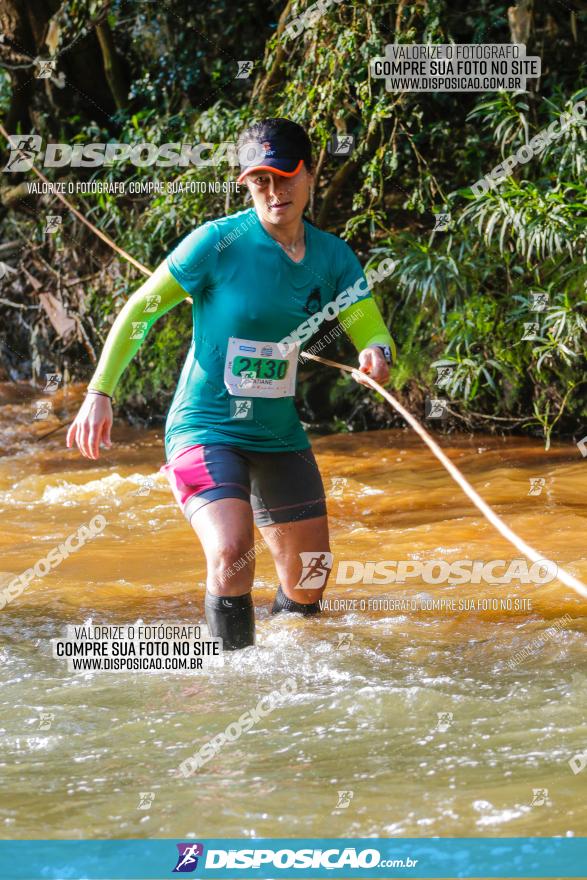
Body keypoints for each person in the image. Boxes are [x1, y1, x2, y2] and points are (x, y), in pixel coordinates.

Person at [66, 118, 396, 650]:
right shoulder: (217, 244)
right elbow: (139, 312)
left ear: (310, 173)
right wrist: (99, 392)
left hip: (277, 432)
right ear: (246, 185)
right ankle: (232, 677)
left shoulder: (333, 257)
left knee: (310, 575)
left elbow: (367, 323)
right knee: (231, 550)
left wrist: (375, 352)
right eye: (260, 181)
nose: (274, 192)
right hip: (205, 427)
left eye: (285, 176)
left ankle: (294, 671)